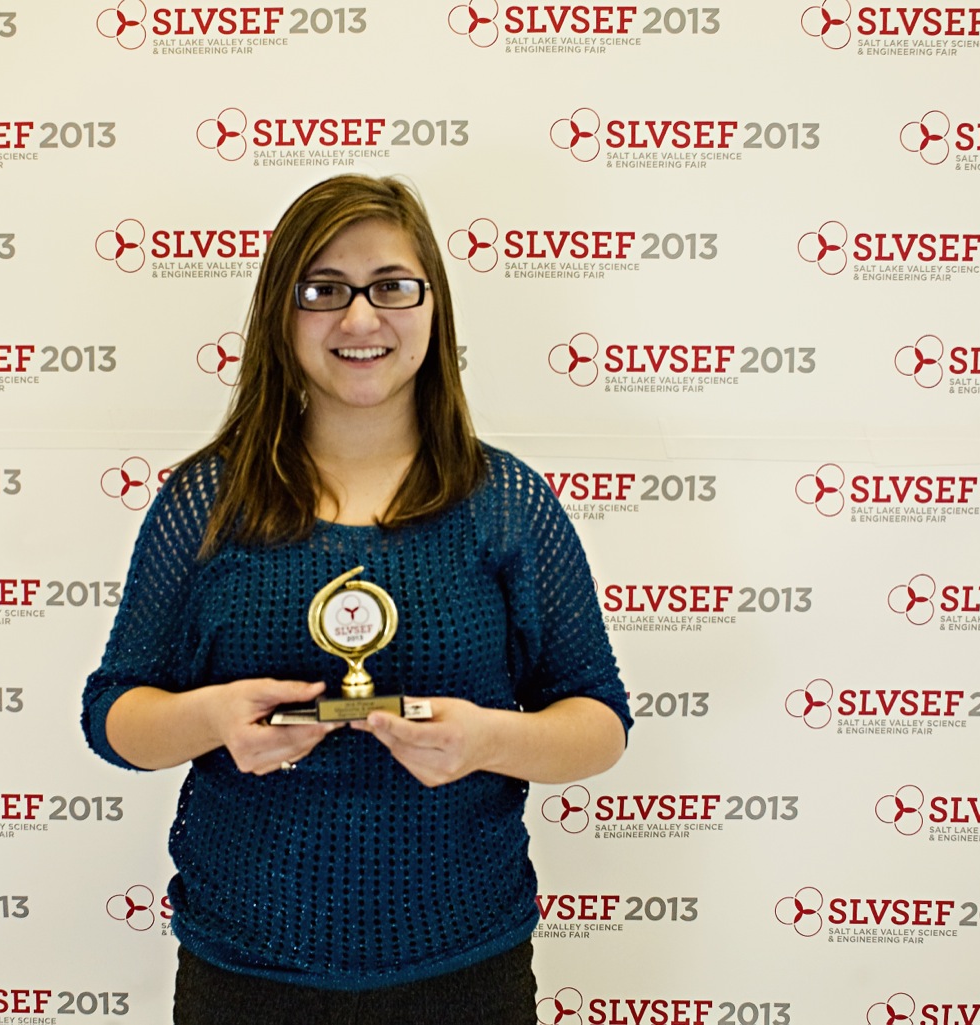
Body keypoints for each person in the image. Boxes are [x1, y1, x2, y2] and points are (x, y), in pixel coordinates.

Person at [80, 174, 630, 1024]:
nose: (361, 319)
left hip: (465, 969)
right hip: (246, 972)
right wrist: (210, 718)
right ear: (281, 312)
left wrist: (488, 739)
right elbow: (113, 715)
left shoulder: (506, 503)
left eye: (391, 286)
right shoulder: (208, 501)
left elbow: (599, 721)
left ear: (434, 306)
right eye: (324, 290)